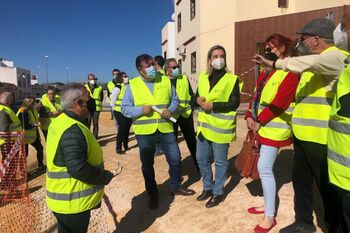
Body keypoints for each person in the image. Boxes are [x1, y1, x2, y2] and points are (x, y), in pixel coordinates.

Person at [254, 18, 349, 233]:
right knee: (302, 183)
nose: (301, 42)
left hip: (321, 138)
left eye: (303, 38)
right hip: (303, 136)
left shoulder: (335, 56)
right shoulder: (312, 61)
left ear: (316, 39)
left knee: (328, 189)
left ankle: (334, 227)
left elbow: (303, 66)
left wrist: (275, 63)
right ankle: (303, 223)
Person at [121, 54, 195, 210]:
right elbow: (124, 109)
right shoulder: (132, 85)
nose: (152, 67)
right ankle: (153, 194)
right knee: (147, 165)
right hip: (145, 132)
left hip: (165, 128)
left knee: (175, 159)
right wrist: (140, 110)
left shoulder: (166, 81)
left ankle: (175, 186)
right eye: (148, 65)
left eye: (153, 64)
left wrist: (170, 109)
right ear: (140, 70)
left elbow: (175, 100)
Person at [245, 34, 300, 233]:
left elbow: (281, 102)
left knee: (264, 168)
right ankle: (267, 204)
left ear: (284, 47)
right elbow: (255, 97)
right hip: (261, 127)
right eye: (266, 48)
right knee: (267, 168)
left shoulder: (291, 71)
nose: (269, 51)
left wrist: (258, 121)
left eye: (273, 47)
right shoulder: (266, 72)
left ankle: (270, 216)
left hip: (274, 129)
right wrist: (249, 118)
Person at [46, 83, 115, 233]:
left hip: (64, 200)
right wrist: (105, 177)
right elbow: (78, 169)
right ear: (78, 103)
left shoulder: (60, 121)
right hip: (72, 204)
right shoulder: (72, 130)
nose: (90, 101)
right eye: (88, 98)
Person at [195, 45, 241, 208]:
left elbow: (234, 103)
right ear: (209, 59)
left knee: (221, 162)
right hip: (204, 127)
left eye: (221, 56)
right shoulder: (202, 77)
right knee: (201, 159)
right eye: (215, 56)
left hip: (221, 128)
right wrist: (198, 101)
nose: (218, 59)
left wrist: (213, 105)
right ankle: (208, 187)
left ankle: (218, 192)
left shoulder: (232, 79)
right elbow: (196, 98)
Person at [164, 58, 198, 169]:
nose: (177, 69)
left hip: (185, 115)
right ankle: (175, 167)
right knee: (172, 144)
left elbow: (191, 95)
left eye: (178, 66)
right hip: (171, 118)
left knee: (191, 141)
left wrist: (191, 108)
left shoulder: (183, 78)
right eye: (174, 67)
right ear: (167, 69)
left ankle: (198, 165)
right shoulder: (163, 81)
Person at [17, 96, 44, 170]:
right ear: (27, 103)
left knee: (40, 148)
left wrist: (37, 134)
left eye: (34, 102)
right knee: (24, 155)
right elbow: (23, 125)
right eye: (32, 103)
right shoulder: (23, 111)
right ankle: (23, 171)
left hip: (33, 136)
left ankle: (41, 165)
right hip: (24, 137)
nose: (34, 104)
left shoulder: (33, 109)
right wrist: (33, 125)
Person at [110, 72, 132, 154]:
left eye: (127, 76)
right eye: (124, 76)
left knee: (127, 129)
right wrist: (114, 110)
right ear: (120, 78)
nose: (126, 78)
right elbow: (112, 101)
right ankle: (118, 147)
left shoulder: (129, 87)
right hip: (119, 112)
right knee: (122, 129)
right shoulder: (118, 87)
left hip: (128, 111)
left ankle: (125, 145)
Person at [0, 92, 22, 160]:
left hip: (12, 141)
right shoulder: (3, 110)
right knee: (9, 161)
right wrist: (8, 142)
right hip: (8, 143)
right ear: (9, 100)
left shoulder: (6, 109)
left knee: (10, 161)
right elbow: (3, 129)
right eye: (12, 100)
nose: (12, 102)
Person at [85, 73, 103, 138]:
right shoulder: (85, 87)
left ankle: (95, 137)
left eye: (94, 79)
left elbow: (101, 98)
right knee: (88, 123)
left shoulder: (99, 88)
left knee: (95, 123)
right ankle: (88, 136)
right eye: (91, 79)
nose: (93, 80)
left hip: (96, 108)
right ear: (88, 79)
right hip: (87, 108)